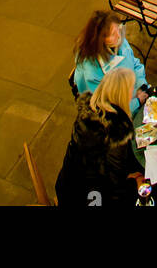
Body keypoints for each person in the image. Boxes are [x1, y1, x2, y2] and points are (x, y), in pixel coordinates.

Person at [55, 67, 139, 207]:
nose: (133, 93)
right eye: (131, 89)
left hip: (67, 188)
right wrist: (134, 184)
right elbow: (115, 191)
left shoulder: (88, 114)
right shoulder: (116, 134)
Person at [72, 10, 148, 114]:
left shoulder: (118, 40)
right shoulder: (92, 70)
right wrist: (137, 102)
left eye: (118, 29)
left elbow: (135, 64)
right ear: (100, 39)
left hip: (135, 95)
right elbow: (107, 107)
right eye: (112, 34)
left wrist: (141, 85)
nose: (118, 35)